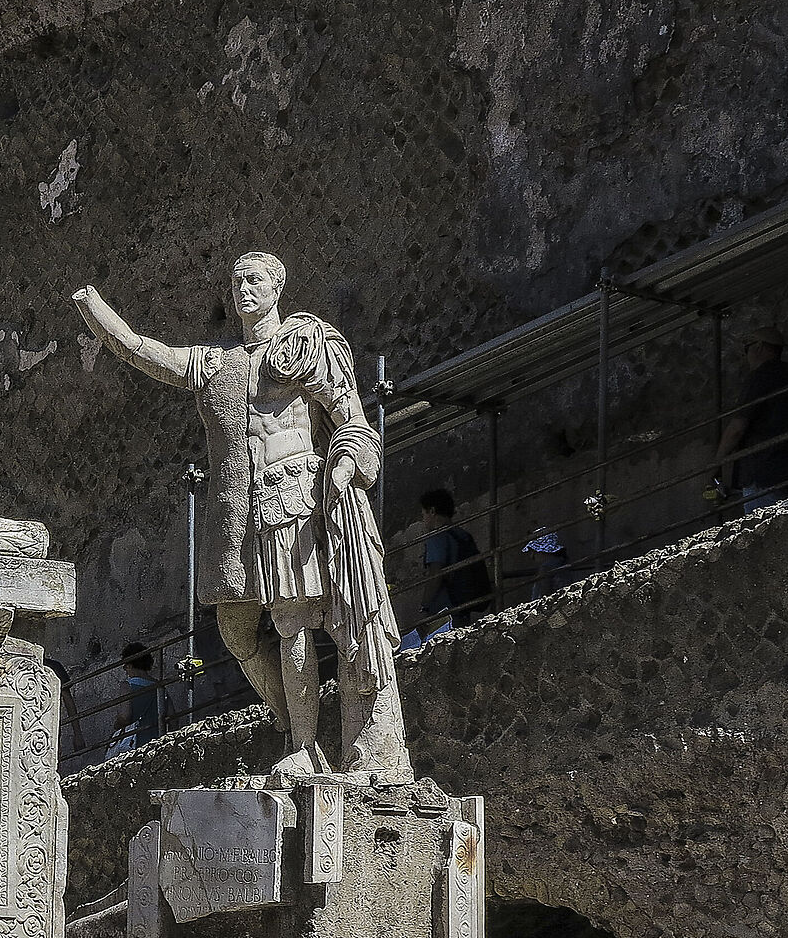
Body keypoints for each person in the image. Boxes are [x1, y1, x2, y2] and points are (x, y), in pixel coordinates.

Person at [74, 252, 410, 780]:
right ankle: (297, 734)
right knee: (265, 629)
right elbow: (149, 353)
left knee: (321, 625)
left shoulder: (306, 345)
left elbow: (352, 420)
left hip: (307, 498)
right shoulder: (221, 366)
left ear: (277, 289)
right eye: (235, 283)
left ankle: (335, 747)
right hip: (254, 511)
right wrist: (96, 311)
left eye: (253, 281)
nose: (242, 290)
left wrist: (344, 467)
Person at [715, 325, 788, 513]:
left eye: (747, 348)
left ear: (759, 346)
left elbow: (737, 428)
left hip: (763, 474)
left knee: (760, 533)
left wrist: (715, 466)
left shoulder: (760, 378)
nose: (747, 355)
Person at [396, 488, 493, 646]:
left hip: (444, 610)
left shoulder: (437, 537)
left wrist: (424, 607)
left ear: (432, 511)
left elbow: (436, 572)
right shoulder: (462, 535)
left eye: (423, 514)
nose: (424, 519)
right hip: (463, 607)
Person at [104, 643, 164, 758]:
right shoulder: (160, 687)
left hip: (135, 745)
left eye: (125, 667)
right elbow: (172, 718)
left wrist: (116, 725)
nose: (126, 671)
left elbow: (124, 717)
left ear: (130, 665)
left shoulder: (127, 686)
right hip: (156, 744)